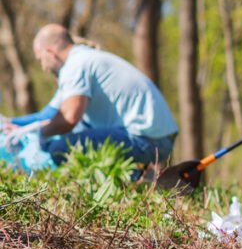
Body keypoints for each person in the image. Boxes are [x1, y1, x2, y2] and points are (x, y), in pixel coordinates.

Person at [31, 24, 179, 165]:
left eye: (40, 60)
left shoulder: (74, 65)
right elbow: (58, 116)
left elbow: (69, 118)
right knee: (78, 132)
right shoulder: (86, 57)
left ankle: (121, 184)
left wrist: (41, 134)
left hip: (147, 140)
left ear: (50, 52)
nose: (44, 67)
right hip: (158, 137)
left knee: (59, 149)